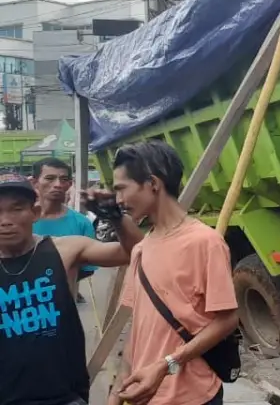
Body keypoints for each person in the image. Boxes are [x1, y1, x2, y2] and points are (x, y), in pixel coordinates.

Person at [109, 140, 239, 405]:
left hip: (193, 396)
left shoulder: (205, 242)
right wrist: (117, 390)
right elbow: (139, 329)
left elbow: (227, 320)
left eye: (122, 189)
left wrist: (167, 364)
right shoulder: (141, 249)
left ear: (153, 184)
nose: (118, 200)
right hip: (145, 395)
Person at [0, 173, 142, 405]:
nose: (5, 220)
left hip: (64, 396)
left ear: (34, 213)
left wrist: (115, 216)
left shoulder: (63, 250)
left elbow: (135, 252)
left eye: (16, 209)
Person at [31, 157, 98, 301]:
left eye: (63, 179)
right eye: (50, 178)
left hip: (65, 308)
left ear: (69, 184)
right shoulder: (19, 221)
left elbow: (87, 269)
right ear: (34, 182)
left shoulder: (82, 223)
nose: (57, 184)